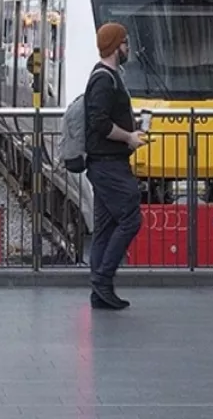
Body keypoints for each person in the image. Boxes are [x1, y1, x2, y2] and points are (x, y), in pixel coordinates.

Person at [83, 22, 146, 311]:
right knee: (131, 218)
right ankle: (103, 280)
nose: (128, 48)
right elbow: (99, 122)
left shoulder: (110, 76)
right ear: (115, 46)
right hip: (108, 164)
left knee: (106, 227)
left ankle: (100, 292)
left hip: (108, 162)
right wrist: (129, 137)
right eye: (125, 43)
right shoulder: (103, 80)